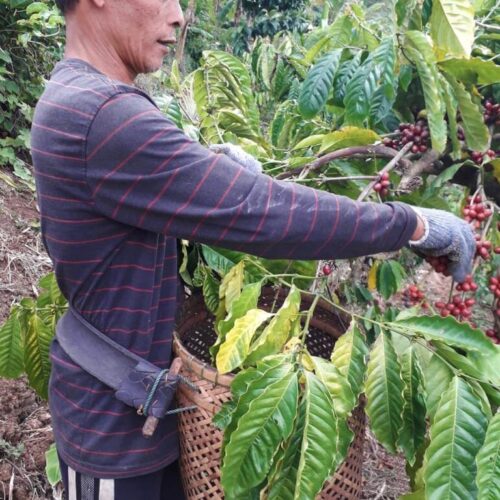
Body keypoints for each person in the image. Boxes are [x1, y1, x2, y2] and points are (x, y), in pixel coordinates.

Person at [30, 1, 475, 498]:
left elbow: (140, 183)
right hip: (113, 434)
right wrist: (410, 224)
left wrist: (203, 162)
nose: (179, 17)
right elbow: (261, 212)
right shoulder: (104, 115)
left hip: (140, 406)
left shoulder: (80, 93)